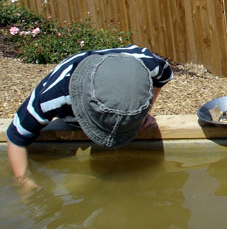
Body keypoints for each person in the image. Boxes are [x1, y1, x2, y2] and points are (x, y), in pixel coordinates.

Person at [6, 45, 174, 189]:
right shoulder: (52, 98)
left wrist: (144, 110)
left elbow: (164, 75)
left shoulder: (148, 65)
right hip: (71, 107)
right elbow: (16, 136)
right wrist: (23, 180)